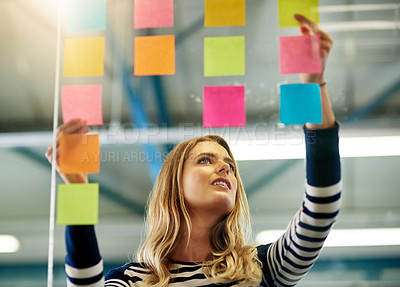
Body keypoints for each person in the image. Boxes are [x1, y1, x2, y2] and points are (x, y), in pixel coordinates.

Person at [46, 14, 342, 287]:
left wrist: (313, 87)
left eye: (231, 166)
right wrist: (76, 187)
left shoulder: (262, 267)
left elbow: (321, 208)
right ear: (175, 182)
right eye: (205, 160)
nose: (226, 168)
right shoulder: (132, 280)